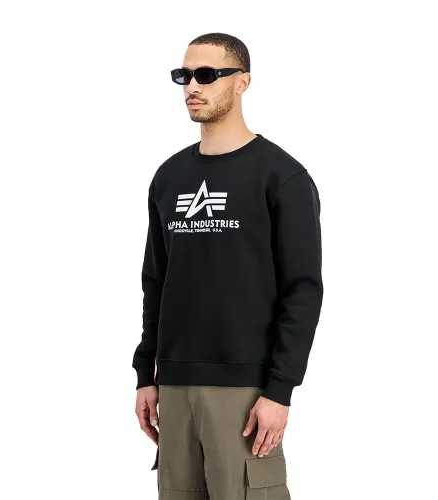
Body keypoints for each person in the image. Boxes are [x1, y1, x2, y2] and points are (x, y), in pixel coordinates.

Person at [132, 32, 323, 499]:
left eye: (206, 75)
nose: (192, 86)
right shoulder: (169, 177)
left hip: (245, 388)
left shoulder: (281, 176)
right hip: (173, 386)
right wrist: (145, 376)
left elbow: (302, 290)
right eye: (184, 76)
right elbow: (156, 282)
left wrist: (279, 390)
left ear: (243, 82)